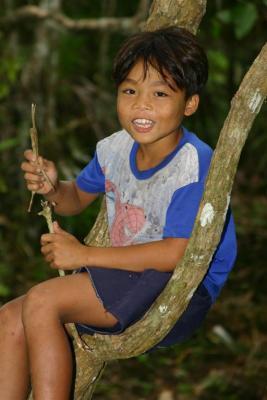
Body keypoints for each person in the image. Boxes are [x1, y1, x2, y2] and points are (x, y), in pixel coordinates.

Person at [0, 26, 237, 399]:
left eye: (160, 93)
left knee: (43, 301)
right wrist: (52, 188)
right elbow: (76, 196)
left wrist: (83, 255)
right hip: (126, 275)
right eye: (130, 91)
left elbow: (178, 254)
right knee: (10, 318)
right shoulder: (114, 149)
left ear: (189, 103)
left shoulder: (193, 164)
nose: (141, 105)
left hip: (179, 288)